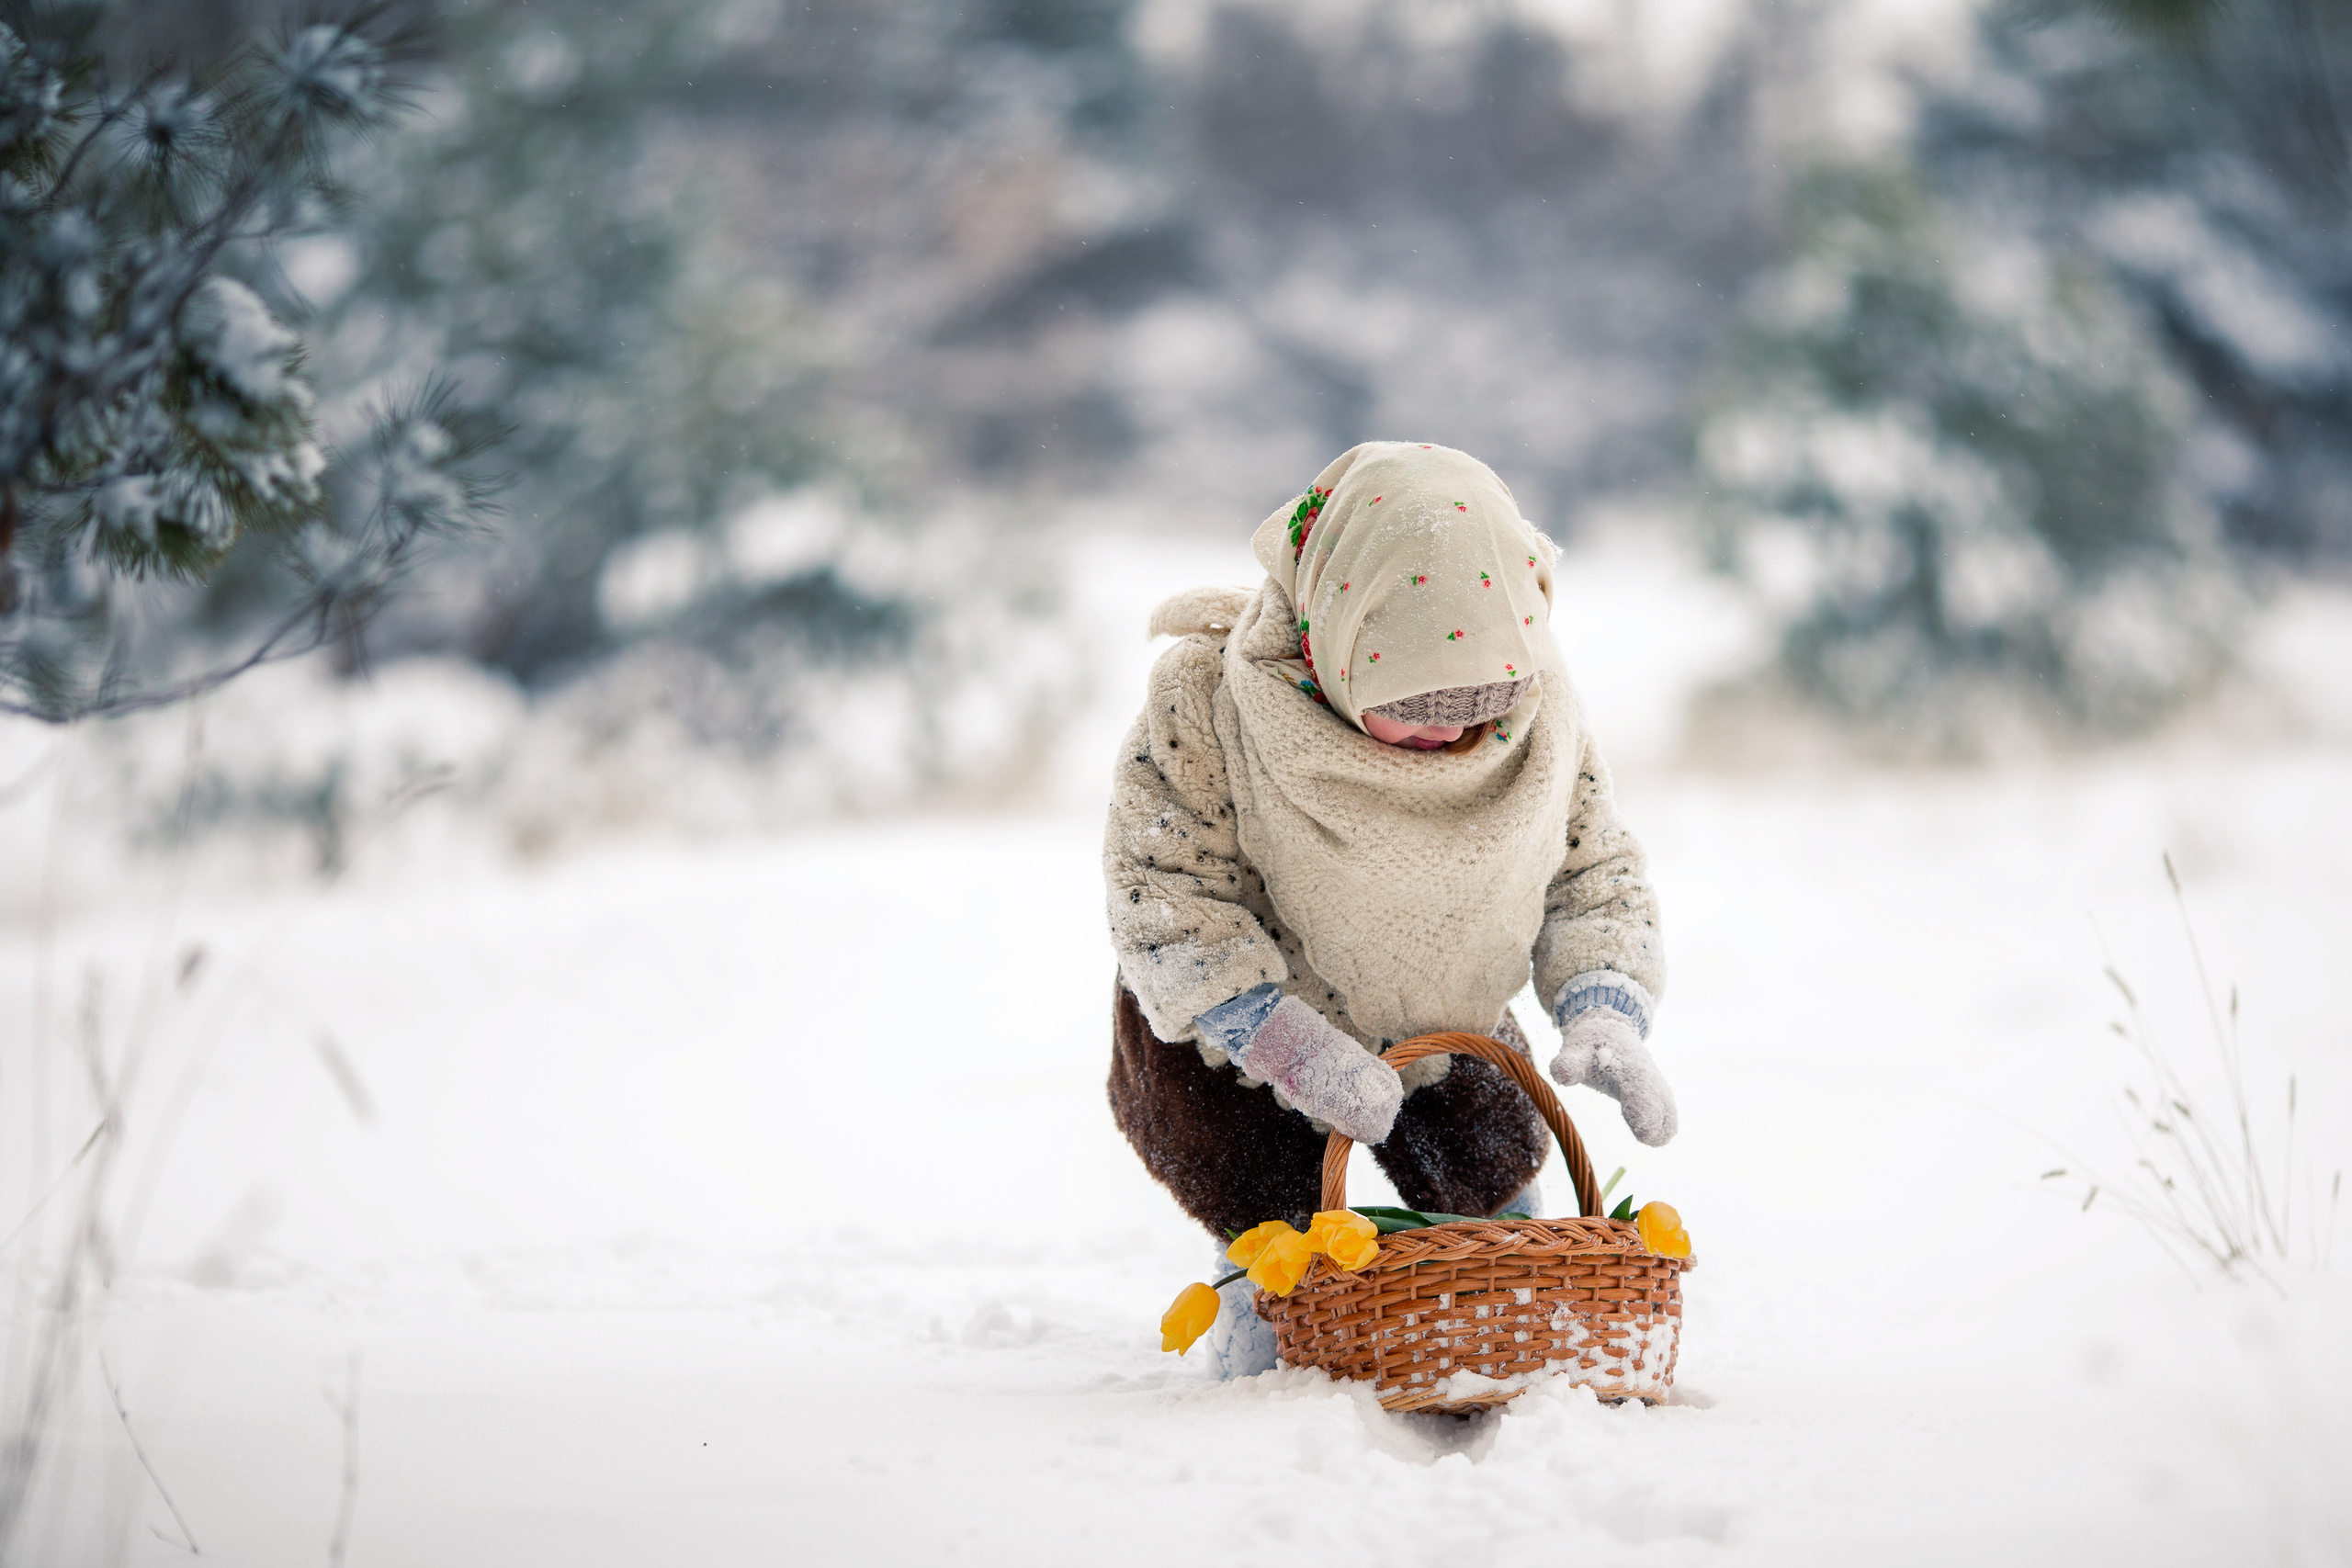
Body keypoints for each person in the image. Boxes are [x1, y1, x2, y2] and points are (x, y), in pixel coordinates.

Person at [1102, 441, 1674, 1377]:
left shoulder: (1541, 726)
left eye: (1476, 706)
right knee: (1272, 1238)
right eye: (1410, 705)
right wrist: (1284, 1045)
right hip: (1239, 1032)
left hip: (1440, 1015)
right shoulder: (1208, 703)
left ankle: (1493, 1359)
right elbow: (1166, 890)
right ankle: (1268, 1372)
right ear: (1336, 637)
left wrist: (1605, 1006)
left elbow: (1592, 867)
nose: (1444, 736)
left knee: (1492, 1214)